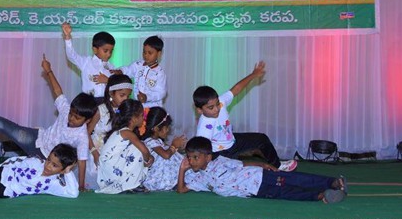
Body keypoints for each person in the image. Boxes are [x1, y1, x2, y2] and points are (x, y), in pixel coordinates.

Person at [0, 55, 97, 191]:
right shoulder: (65, 110)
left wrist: (81, 185)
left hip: (46, 159)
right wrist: (48, 70)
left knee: (19, 174)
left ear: (87, 120)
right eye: (71, 114)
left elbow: (82, 162)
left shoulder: (82, 137)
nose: (71, 118)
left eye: (77, 118)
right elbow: (58, 91)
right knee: (11, 129)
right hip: (36, 138)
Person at [193, 61, 297, 172]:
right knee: (235, 171)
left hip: (232, 141)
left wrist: (253, 75)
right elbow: (201, 151)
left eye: (217, 104)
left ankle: (277, 165)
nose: (217, 109)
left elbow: (236, 89)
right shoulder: (203, 128)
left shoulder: (221, 103)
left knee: (261, 139)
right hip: (220, 153)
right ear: (200, 110)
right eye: (211, 107)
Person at [178, 137, 347, 203]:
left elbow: (242, 164)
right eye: (189, 157)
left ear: (208, 157)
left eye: (195, 157)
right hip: (256, 191)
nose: (191, 161)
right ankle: (321, 195)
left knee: (295, 179)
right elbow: (182, 190)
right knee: (287, 194)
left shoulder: (220, 162)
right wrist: (182, 170)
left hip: (261, 177)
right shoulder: (200, 179)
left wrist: (264, 165)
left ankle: (332, 182)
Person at [84, 74, 134, 189]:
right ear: (111, 93)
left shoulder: (126, 111)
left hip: (118, 149)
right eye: (122, 95)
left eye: (128, 96)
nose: (125, 99)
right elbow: (86, 132)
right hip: (99, 149)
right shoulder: (101, 110)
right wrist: (94, 152)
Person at [96, 99, 154, 194]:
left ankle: (129, 184)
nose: (143, 118)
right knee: (139, 149)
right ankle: (132, 184)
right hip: (111, 170)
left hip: (108, 171)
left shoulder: (123, 131)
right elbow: (144, 151)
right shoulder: (127, 132)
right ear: (134, 118)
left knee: (140, 147)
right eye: (141, 115)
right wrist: (148, 159)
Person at [61, 22, 115, 101]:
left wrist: (108, 81)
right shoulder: (86, 62)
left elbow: (117, 87)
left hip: (106, 102)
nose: (109, 54)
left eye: (111, 51)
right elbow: (72, 56)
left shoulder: (111, 67)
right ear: (95, 49)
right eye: (105, 51)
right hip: (89, 102)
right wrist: (67, 37)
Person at [142, 107, 186, 191]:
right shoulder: (150, 141)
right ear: (156, 129)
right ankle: (173, 182)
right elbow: (166, 155)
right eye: (166, 127)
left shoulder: (158, 141)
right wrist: (174, 145)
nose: (168, 130)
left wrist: (177, 147)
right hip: (157, 178)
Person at [116, 35, 167, 108]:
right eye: (144, 52)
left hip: (153, 108)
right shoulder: (138, 65)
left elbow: (161, 93)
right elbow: (128, 70)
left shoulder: (159, 73)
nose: (146, 55)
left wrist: (147, 97)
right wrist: (121, 71)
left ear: (159, 54)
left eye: (150, 53)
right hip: (139, 107)